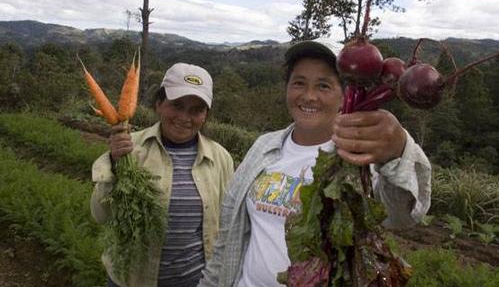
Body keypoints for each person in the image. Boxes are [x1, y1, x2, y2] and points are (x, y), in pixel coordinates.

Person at [199, 40, 432, 287]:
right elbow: (227, 238)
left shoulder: (360, 159)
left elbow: (404, 214)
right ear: (287, 88)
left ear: (344, 95)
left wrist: (398, 150)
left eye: (323, 85)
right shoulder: (264, 146)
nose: (309, 96)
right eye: (299, 83)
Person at [90, 63, 235, 287]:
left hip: (197, 281)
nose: (185, 117)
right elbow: (100, 215)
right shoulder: (129, 150)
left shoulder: (221, 158)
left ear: (205, 115)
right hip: (132, 280)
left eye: (196, 110)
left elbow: (228, 225)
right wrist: (114, 164)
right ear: (159, 104)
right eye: (176, 105)